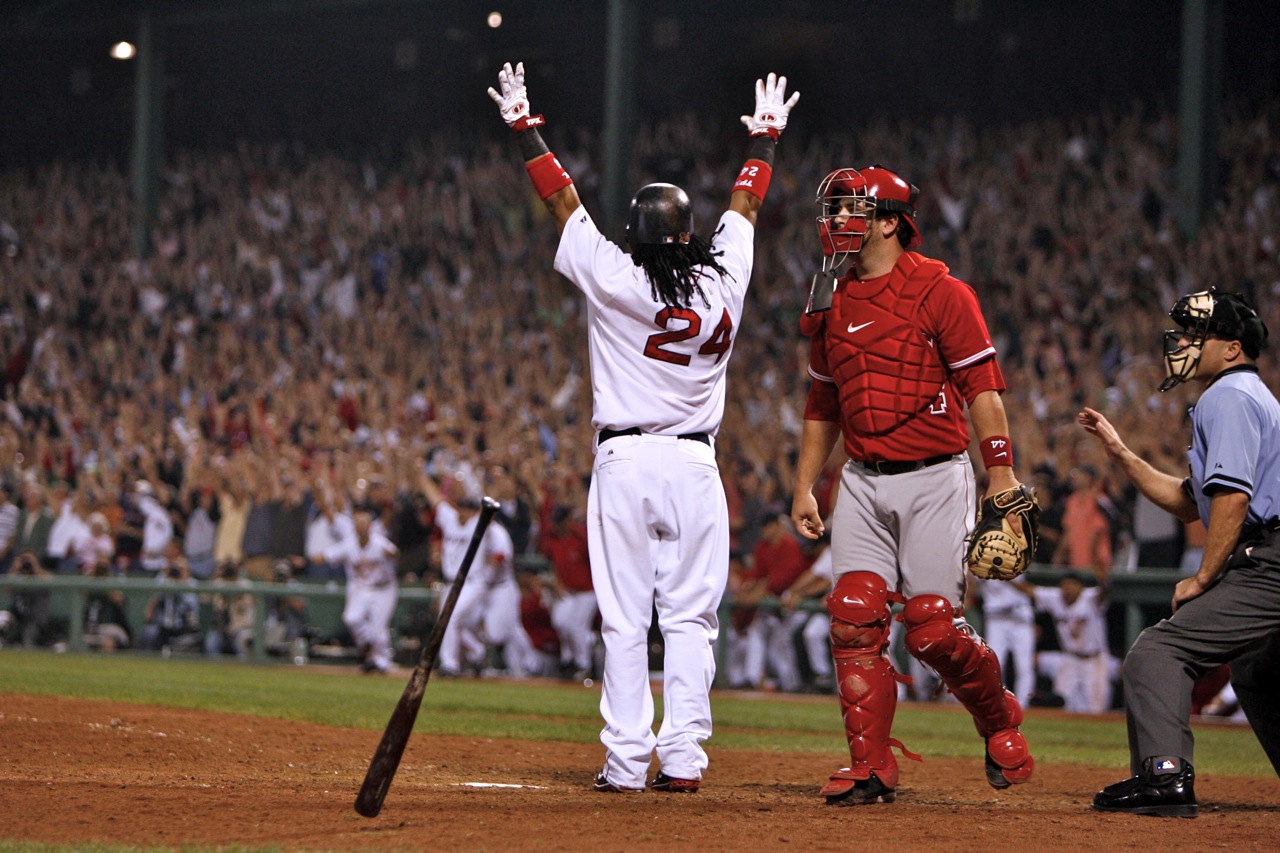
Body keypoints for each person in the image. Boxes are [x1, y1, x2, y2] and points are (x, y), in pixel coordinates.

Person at [489, 61, 798, 793]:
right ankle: (684, 758)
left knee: (626, 620)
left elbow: (563, 202)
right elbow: (747, 209)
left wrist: (526, 128)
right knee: (692, 620)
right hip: (695, 466)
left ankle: (626, 761)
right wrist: (765, 140)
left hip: (626, 460)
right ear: (690, 231)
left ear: (633, 234)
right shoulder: (724, 281)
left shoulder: (618, 277)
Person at [791, 164, 1035, 805]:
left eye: (851, 210)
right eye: (834, 209)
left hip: (935, 475)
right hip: (861, 482)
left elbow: (982, 390)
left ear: (892, 222)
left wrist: (1001, 480)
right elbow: (824, 401)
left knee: (933, 630)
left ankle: (997, 716)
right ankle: (870, 767)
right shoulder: (828, 294)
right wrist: (804, 485)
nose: (836, 221)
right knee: (852, 616)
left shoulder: (942, 291)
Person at [1079, 290, 1280, 817]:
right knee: (1258, 671)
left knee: (1156, 653)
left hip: (1270, 559)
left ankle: (1164, 776)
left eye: (1198, 335)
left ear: (1233, 348)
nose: (1185, 343)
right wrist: (1123, 455)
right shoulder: (1244, 394)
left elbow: (1233, 498)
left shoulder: (1229, 396)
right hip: (1271, 553)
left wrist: (1204, 576)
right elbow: (1191, 503)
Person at [311, 509, 398, 674]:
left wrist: (392, 554)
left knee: (378, 630)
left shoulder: (379, 542)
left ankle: (382, 662)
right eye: (359, 524)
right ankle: (367, 645)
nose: (362, 527)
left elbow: (395, 553)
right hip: (362, 588)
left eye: (365, 523)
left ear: (371, 526)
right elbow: (326, 555)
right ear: (355, 527)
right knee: (351, 618)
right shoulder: (349, 544)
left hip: (384, 589)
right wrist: (310, 559)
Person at [1014, 569, 1113, 713]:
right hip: (1070, 658)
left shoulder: (1090, 597)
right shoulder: (1055, 597)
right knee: (1060, 701)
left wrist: (1105, 582)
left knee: (1096, 706)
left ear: (1081, 588)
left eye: (1072, 585)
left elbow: (1104, 593)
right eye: (1065, 586)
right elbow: (1028, 589)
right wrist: (1006, 576)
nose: (1068, 589)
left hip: (1093, 659)